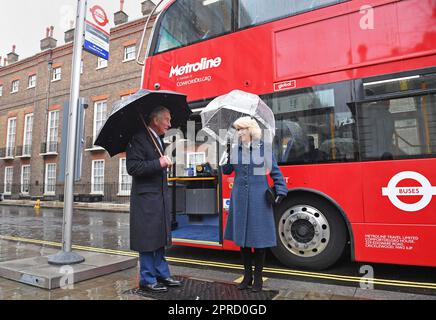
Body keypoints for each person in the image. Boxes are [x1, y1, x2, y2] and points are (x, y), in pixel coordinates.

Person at [222, 117, 288, 292]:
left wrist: (281, 191)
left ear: (250, 130)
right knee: (243, 242)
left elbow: (275, 172)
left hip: (259, 198)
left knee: (259, 241)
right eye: (236, 130)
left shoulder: (263, 149)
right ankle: (247, 277)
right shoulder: (235, 149)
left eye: (241, 129)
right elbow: (226, 171)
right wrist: (227, 153)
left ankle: (258, 279)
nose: (238, 133)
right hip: (239, 198)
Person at [126, 106, 182, 293]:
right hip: (146, 199)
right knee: (148, 239)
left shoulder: (158, 139)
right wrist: (159, 163)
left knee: (159, 237)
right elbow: (133, 167)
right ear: (156, 120)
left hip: (159, 198)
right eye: (166, 119)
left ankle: (162, 274)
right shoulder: (138, 138)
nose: (169, 123)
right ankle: (147, 279)